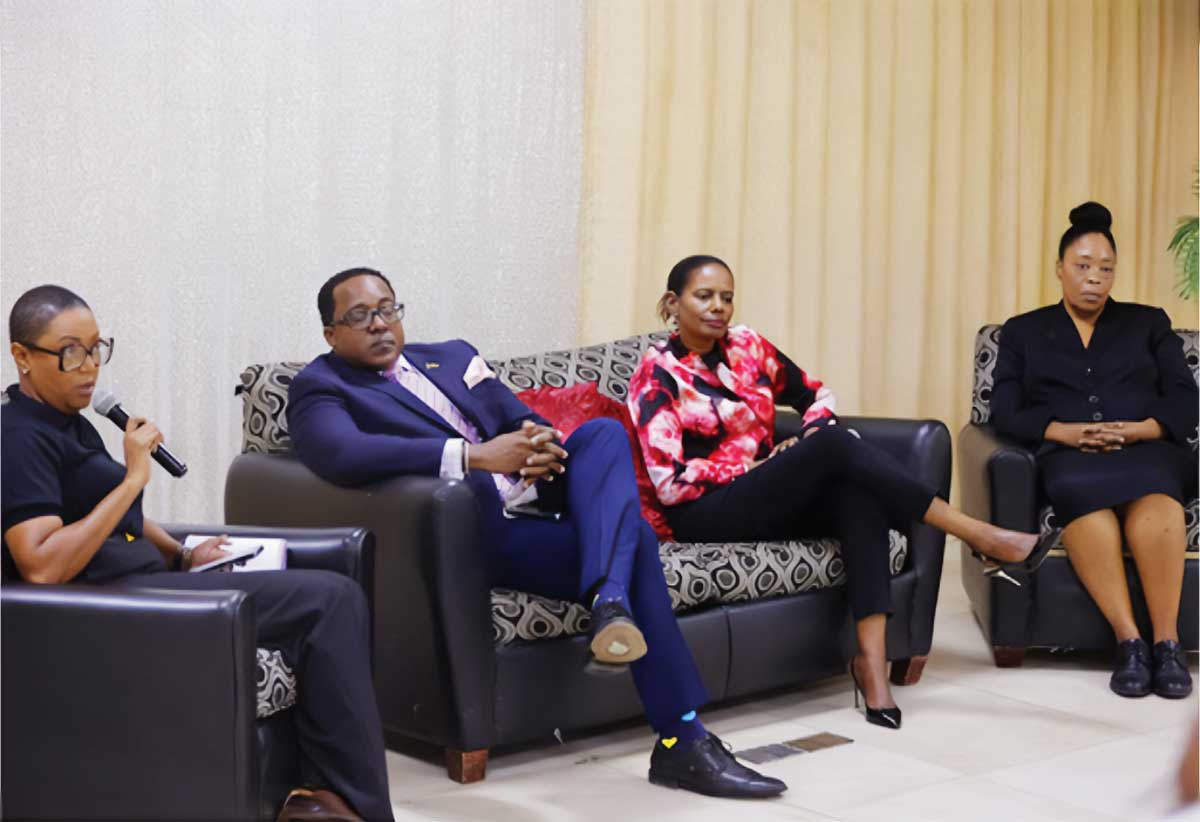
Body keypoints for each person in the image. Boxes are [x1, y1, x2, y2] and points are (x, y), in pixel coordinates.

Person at [285, 267, 786, 799]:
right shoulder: (321, 385)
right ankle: (679, 738)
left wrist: (538, 441)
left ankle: (611, 602)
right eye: (360, 316)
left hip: (540, 495)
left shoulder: (451, 356)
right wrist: (473, 457)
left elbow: (515, 415)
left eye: (388, 309)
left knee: (602, 435)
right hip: (480, 532)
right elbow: (340, 454)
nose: (380, 325)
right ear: (331, 333)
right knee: (634, 540)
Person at [1, 285, 393, 822]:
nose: (88, 366)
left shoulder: (69, 424)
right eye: (70, 352)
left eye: (96, 348)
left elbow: (119, 520)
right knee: (328, 601)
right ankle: (353, 809)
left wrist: (183, 553)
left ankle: (319, 797)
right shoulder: (17, 438)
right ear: (22, 356)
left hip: (146, 581)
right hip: (113, 606)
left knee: (331, 587)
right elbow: (41, 564)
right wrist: (135, 475)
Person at [627, 255, 1058, 730]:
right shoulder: (656, 373)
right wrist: (756, 464)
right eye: (703, 296)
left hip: (761, 496)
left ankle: (871, 666)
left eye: (726, 297)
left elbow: (815, 396)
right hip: (704, 511)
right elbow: (670, 481)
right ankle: (982, 537)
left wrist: (806, 439)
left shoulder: (749, 346)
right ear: (673, 303)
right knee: (835, 447)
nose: (718, 307)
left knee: (857, 494)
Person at [991, 202, 1197, 699]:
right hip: (1069, 458)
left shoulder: (1148, 323)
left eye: (1105, 270)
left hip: (1147, 452)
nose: (1094, 280)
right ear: (1059, 269)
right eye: (1083, 267)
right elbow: (1003, 408)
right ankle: (1130, 642)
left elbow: (1186, 398)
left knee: (1157, 501)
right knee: (1083, 502)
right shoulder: (1022, 331)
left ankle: (1166, 643)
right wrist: (1061, 432)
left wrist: (1143, 429)